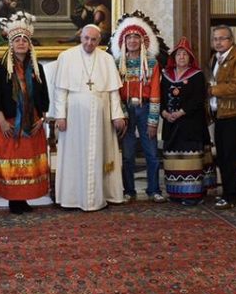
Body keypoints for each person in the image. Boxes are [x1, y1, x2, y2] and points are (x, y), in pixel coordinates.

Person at [0, 12, 50, 214]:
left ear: (30, 44)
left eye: (24, 40)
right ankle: (13, 200)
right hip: (8, 122)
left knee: (28, 163)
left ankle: (23, 199)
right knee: (11, 162)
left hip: (31, 122)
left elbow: (44, 96)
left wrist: (42, 119)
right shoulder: (1, 68)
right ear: (11, 44)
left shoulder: (37, 68)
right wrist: (2, 122)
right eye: (17, 40)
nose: (21, 43)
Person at [54, 24, 126, 211]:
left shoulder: (106, 59)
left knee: (102, 154)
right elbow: (60, 91)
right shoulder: (66, 57)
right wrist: (60, 116)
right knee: (75, 155)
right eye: (86, 38)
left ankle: (101, 196)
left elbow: (113, 92)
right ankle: (73, 198)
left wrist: (117, 115)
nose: (89, 43)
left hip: (101, 117)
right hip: (74, 118)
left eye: (94, 39)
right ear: (80, 37)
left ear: (99, 40)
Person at [110, 11, 166, 203]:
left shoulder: (151, 63)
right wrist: (121, 114)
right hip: (126, 109)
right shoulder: (117, 63)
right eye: (129, 37)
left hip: (145, 108)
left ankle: (154, 190)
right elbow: (115, 92)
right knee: (127, 154)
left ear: (142, 40)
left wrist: (153, 121)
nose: (132, 41)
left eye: (136, 37)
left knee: (151, 152)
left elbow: (156, 92)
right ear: (123, 41)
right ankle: (129, 191)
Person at [161, 37, 214, 205]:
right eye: (178, 54)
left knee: (191, 160)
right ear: (174, 58)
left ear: (190, 58)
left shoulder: (197, 75)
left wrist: (180, 113)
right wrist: (164, 113)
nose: (181, 57)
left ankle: (192, 195)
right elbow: (161, 98)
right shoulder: (166, 76)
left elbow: (198, 99)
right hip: (171, 124)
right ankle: (176, 193)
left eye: (185, 54)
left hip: (191, 125)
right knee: (173, 159)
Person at [208, 25, 236, 210]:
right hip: (220, 113)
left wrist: (213, 90)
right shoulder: (214, 58)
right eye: (215, 39)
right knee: (223, 156)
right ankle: (229, 191)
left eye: (222, 38)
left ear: (231, 40)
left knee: (231, 156)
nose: (218, 42)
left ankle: (232, 195)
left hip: (233, 114)